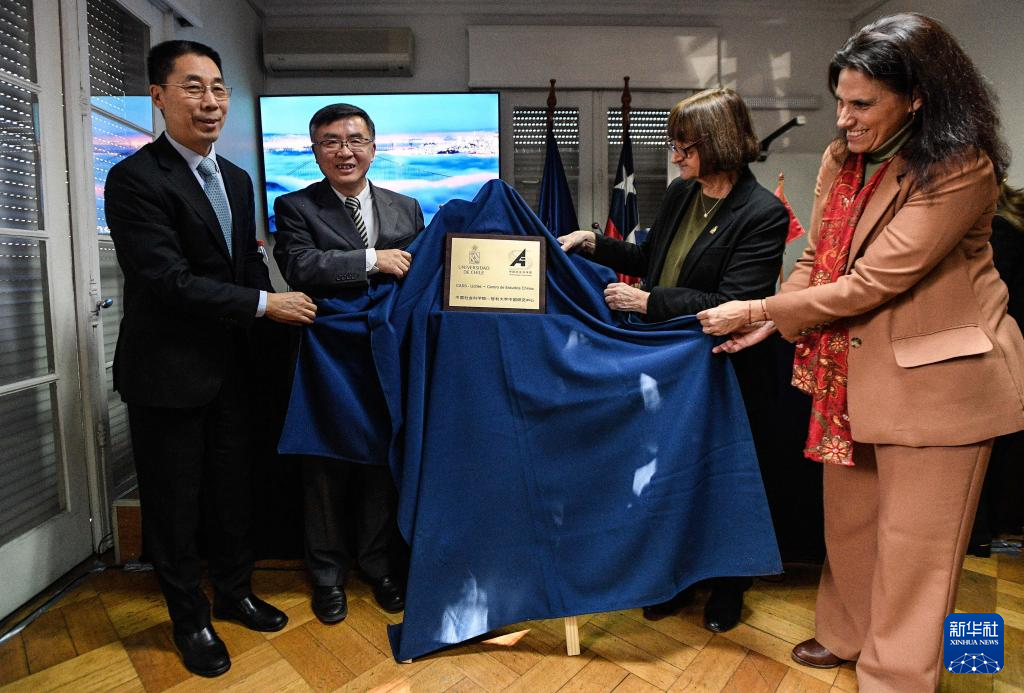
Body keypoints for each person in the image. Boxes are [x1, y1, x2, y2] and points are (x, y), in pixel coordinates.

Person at [697, 14, 1024, 692]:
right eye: (840, 101)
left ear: (918, 97)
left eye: (862, 104)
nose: (844, 118)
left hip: (940, 383)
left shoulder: (961, 167)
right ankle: (848, 633)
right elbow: (818, 258)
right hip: (850, 370)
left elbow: (875, 280)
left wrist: (760, 310)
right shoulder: (840, 159)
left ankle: (899, 673)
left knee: (918, 549)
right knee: (850, 525)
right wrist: (776, 322)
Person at [105, 41, 317, 677]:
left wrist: (272, 305)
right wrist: (265, 304)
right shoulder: (135, 178)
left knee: (232, 490)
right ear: (159, 97)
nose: (211, 102)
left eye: (219, 88)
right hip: (168, 373)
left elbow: (245, 261)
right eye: (193, 87)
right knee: (174, 503)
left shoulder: (236, 178)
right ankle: (188, 619)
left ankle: (233, 591)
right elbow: (165, 279)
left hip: (233, 369)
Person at [558, 87, 788, 633]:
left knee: (720, 481)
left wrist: (647, 302)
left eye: (684, 147)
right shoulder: (683, 192)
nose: (675, 157)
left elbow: (734, 302)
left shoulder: (763, 212)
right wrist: (593, 242)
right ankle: (676, 577)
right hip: (667, 366)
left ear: (718, 143)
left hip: (724, 371)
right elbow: (649, 257)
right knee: (672, 476)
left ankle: (729, 587)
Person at [273, 103, 424, 624]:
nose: (345, 151)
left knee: (382, 463)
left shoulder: (407, 208)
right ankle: (327, 576)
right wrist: (372, 259)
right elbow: (299, 266)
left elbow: (421, 277)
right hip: (327, 356)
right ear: (315, 152)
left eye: (355, 140)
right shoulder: (296, 206)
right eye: (331, 142)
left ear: (374, 149)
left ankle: (379, 568)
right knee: (324, 468)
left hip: (386, 355)